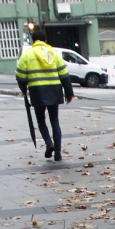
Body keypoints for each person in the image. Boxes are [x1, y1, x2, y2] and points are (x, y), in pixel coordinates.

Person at [15, 27, 73, 162]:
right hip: (54, 90)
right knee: (55, 122)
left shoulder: (27, 55)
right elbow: (64, 74)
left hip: (37, 92)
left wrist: (24, 90)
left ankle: (49, 143)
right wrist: (69, 92)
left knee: (41, 120)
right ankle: (58, 152)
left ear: (33, 41)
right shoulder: (53, 53)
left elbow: (20, 76)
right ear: (45, 40)